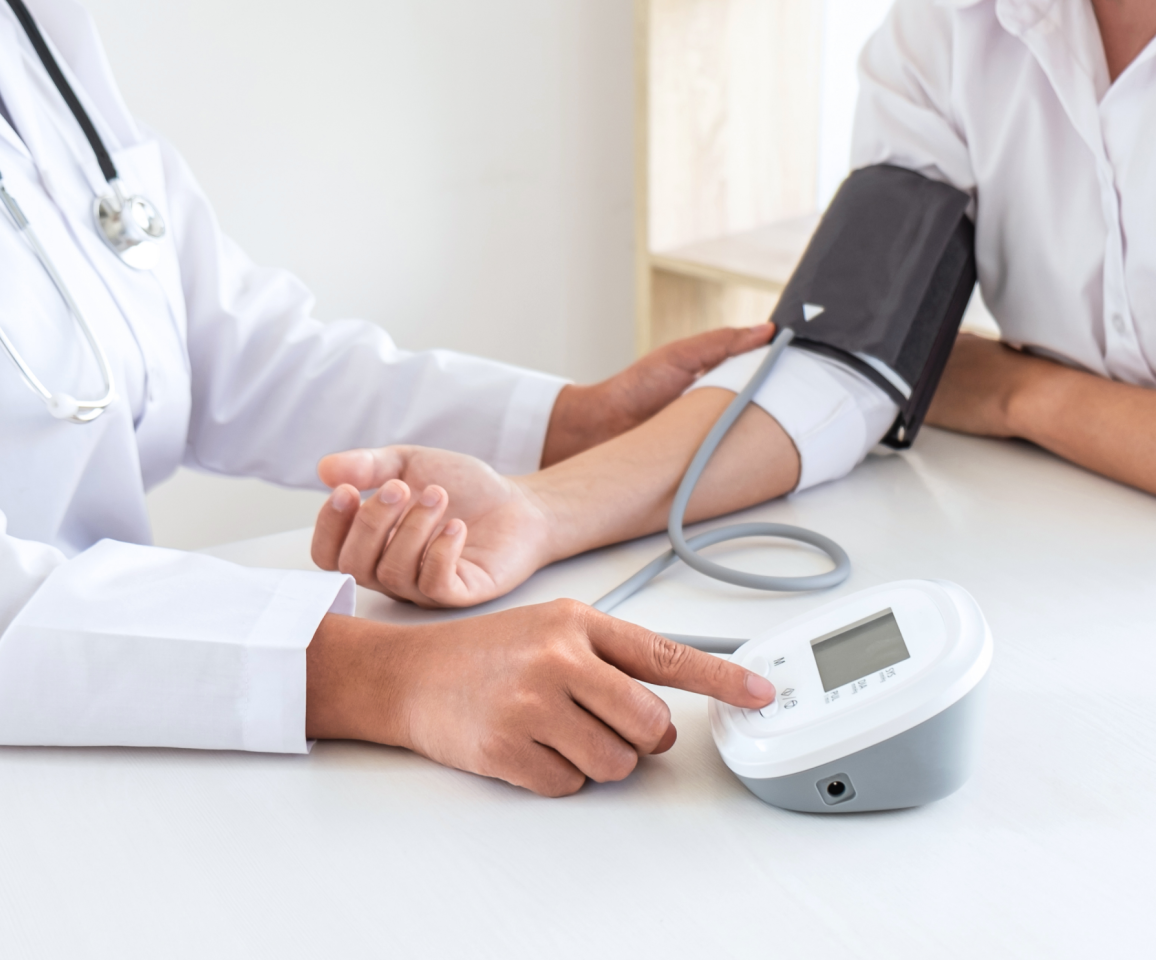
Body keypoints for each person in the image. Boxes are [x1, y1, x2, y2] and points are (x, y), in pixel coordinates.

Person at [0, 0, 779, 798]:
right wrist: (385, 675)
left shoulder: (8, 19)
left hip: (113, 709)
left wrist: (567, 424)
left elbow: (223, 343)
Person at [312, 0, 1156, 751]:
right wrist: (541, 511)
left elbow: (917, 365)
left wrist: (1019, 393)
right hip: (1045, 541)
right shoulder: (949, 24)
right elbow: (848, 355)